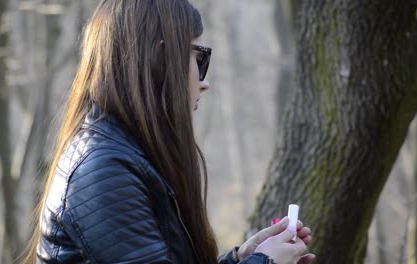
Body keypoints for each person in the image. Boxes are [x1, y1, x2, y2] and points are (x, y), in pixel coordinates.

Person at [24, 0, 315, 263]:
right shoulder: (104, 171)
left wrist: (244, 258)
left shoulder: (125, 154)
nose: (204, 82)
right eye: (198, 58)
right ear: (160, 59)